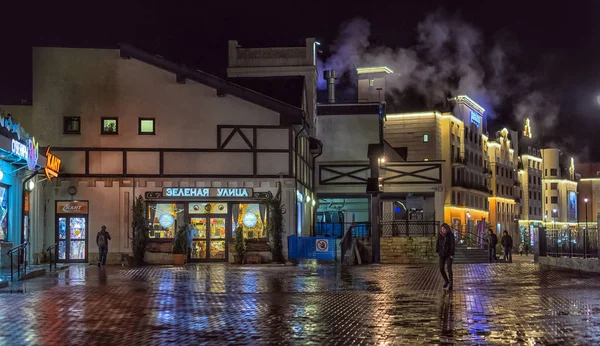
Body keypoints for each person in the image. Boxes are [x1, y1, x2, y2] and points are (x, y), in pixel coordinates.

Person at [436, 223, 456, 290]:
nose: (442, 230)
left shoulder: (450, 235)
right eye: (442, 229)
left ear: (447, 229)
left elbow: (452, 244)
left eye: (444, 229)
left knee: (449, 268)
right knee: (441, 268)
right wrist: (438, 250)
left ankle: (451, 283)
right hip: (442, 254)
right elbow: (438, 242)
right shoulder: (440, 235)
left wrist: (452, 254)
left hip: (448, 254)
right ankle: (446, 280)